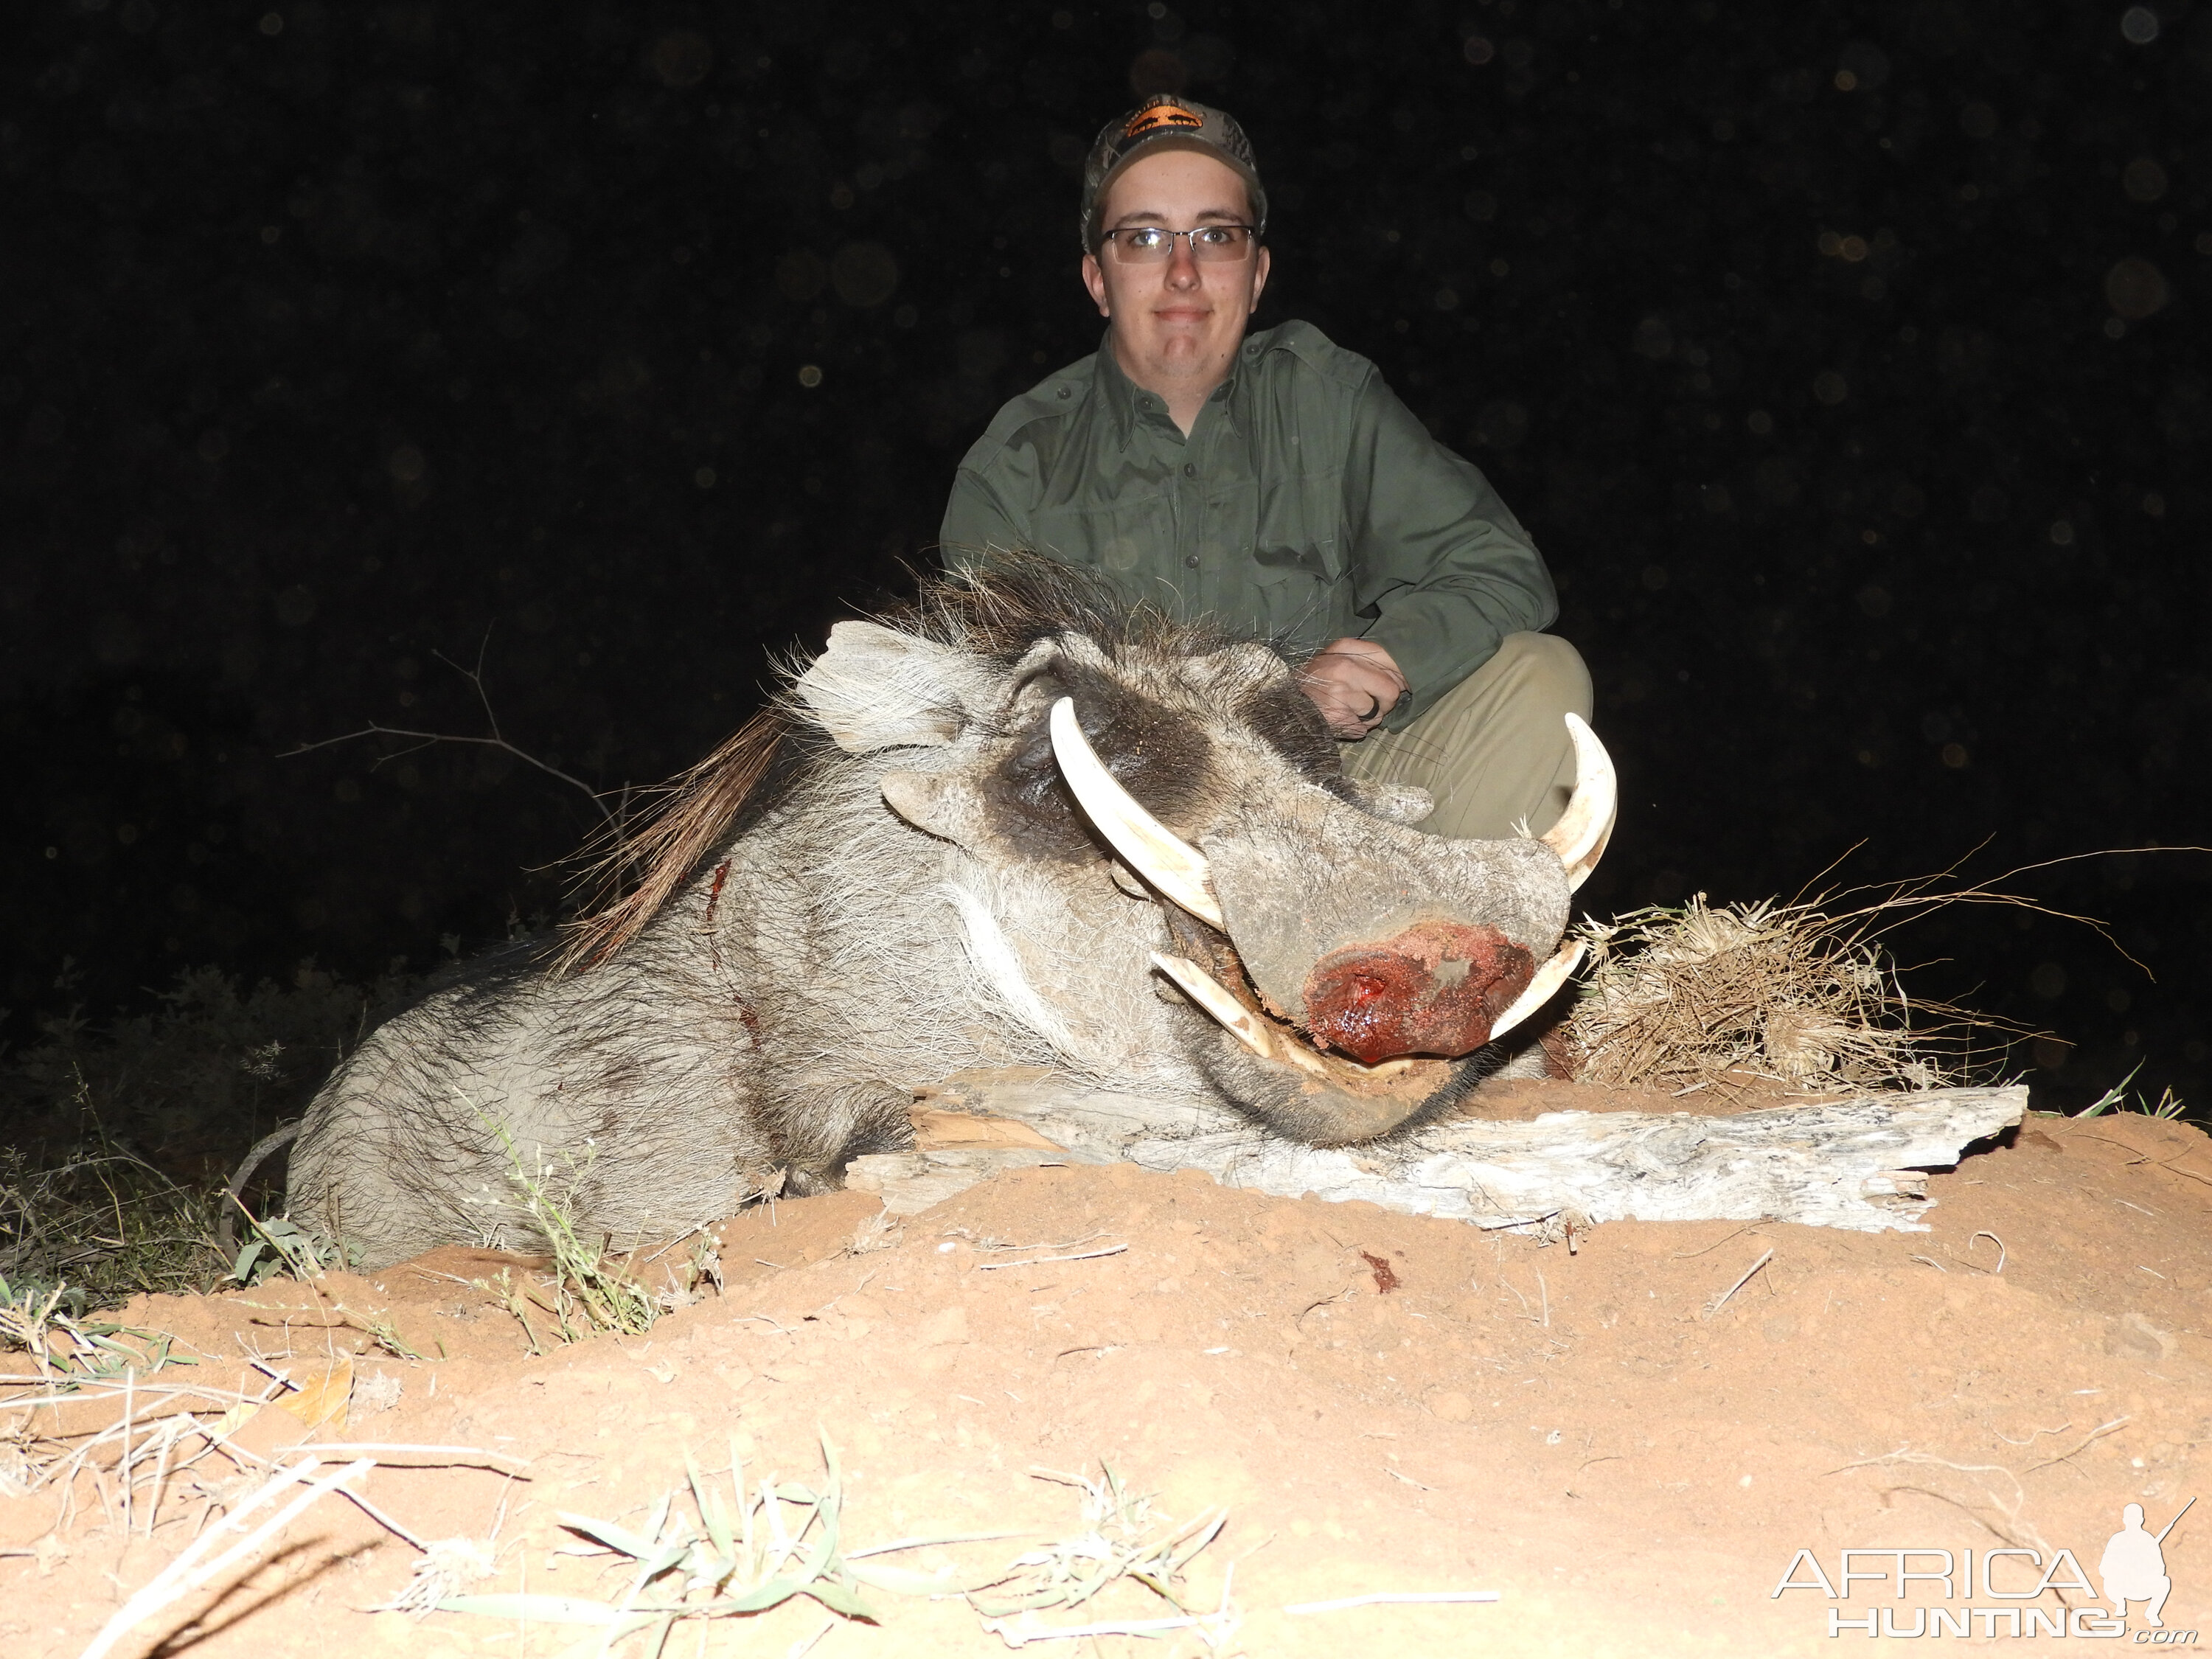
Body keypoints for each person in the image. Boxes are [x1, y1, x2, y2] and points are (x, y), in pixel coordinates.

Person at [939, 93, 1592, 841]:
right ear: (1097, 278)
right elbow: (981, 703)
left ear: (1256, 272)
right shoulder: (1015, 465)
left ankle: (1442, 948)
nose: (1183, 272)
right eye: (1145, 237)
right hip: (1127, 823)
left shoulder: (1329, 397)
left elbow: (1497, 566)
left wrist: (1387, 662)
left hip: (1336, 783)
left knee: (1544, 676)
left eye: (1216, 236)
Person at [2099, 1503, 2173, 1627]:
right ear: (2124, 1520)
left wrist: (2144, 1568)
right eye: (2130, 1518)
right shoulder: (2117, 1539)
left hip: (2141, 1586)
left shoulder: (2149, 1540)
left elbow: (2161, 1569)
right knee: (2108, 1580)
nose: (2133, 1521)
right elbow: (2104, 1567)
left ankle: (2152, 1613)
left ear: (2142, 1520)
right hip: (2120, 1586)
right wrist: (2121, 1569)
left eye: (2136, 1518)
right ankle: (2120, 1604)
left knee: (2165, 1582)